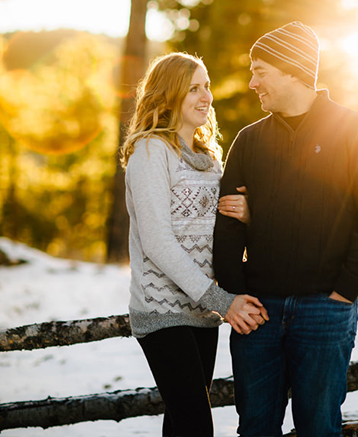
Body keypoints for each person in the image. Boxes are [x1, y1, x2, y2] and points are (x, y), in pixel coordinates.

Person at [213, 21, 358, 437]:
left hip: (325, 310)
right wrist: (235, 290)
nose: (251, 82)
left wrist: (344, 291)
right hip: (258, 312)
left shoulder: (357, 133)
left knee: (318, 428)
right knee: (256, 427)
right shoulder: (249, 141)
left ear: (292, 70)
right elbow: (227, 225)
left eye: (260, 70)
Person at [122, 52, 268, 437]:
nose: (207, 96)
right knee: (196, 422)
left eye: (207, 86)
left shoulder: (209, 159)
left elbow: (222, 232)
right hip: (163, 311)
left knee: (184, 421)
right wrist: (222, 301)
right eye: (194, 89)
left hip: (203, 312)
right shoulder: (151, 152)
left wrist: (250, 216)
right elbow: (156, 241)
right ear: (169, 96)